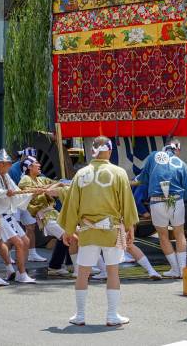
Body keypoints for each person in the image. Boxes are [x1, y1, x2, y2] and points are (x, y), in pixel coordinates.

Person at [58, 137, 138, 327]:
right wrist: (130, 227)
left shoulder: (81, 174)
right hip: (111, 230)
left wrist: (68, 230)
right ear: (109, 150)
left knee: (83, 273)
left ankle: (80, 315)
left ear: (93, 151)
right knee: (112, 271)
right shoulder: (119, 173)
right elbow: (127, 203)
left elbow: (71, 205)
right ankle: (112, 315)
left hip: (87, 230)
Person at [136, 140, 187, 278]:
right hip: (177, 201)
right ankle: (182, 269)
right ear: (177, 151)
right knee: (179, 234)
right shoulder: (182, 164)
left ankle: (175, 269)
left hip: (157, 202)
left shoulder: (153, 156)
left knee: (163, 236)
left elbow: (143, 178)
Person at [0, 149, 34, 284]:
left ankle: (13, 270)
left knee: (22, 241)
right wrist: (6, 192)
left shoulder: (6, 176)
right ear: (0, 164)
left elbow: (15, 190)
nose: (10, 166)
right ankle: (21, 273)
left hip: (8, 214)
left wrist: (31, 193)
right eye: (8, 163)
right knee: (18, 242)